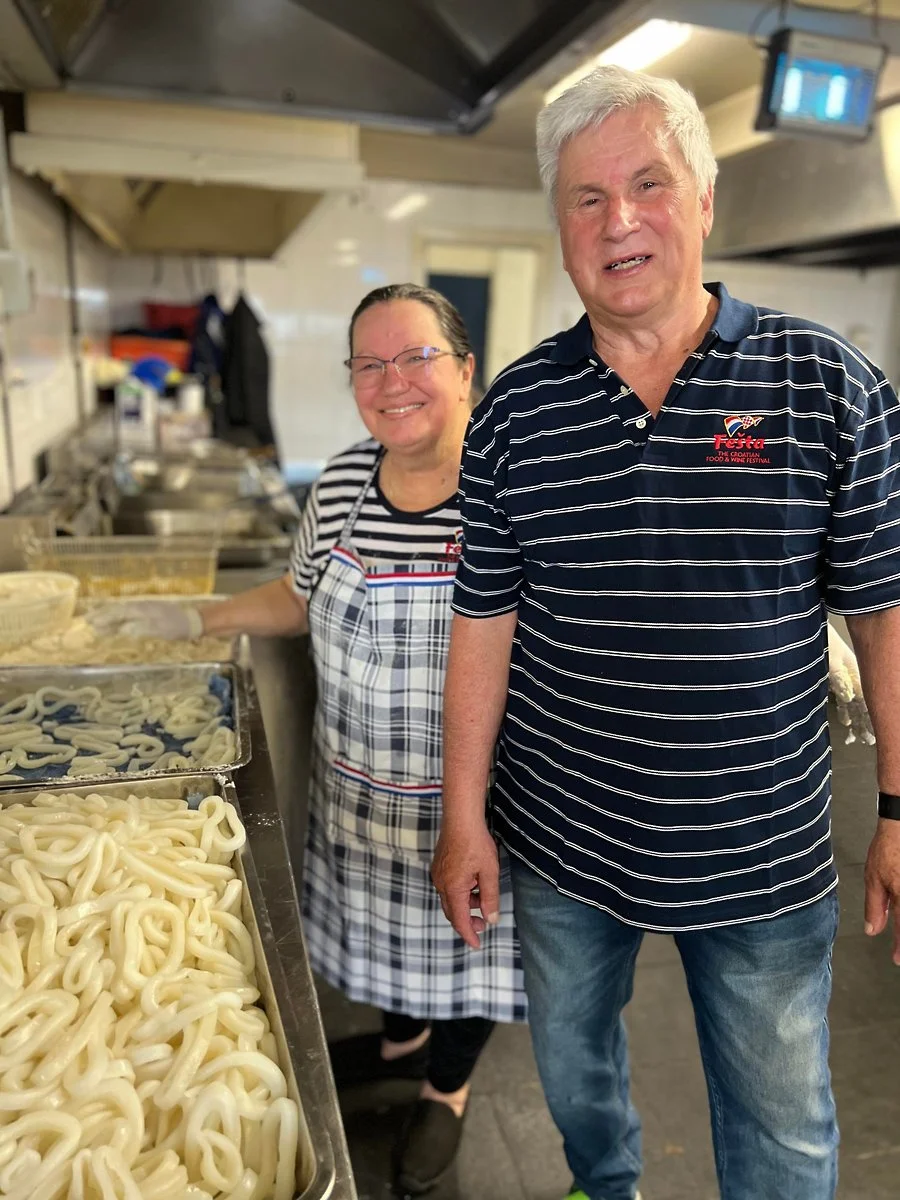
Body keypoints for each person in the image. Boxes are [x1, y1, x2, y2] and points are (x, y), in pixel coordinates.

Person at [432, 65, 900, 1200]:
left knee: (784, 1129)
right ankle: (608, 1186)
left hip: (761, 851)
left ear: (704, 201)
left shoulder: (825, 385)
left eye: (648, 184)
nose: (619, 221)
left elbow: (885, 615)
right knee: (573, 1073)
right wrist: (462, 817)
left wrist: (899, 806)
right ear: (560, 228)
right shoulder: (515, 412)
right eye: (587, 198)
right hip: (563, 840)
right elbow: (483, 623)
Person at [91, 283, 527, 1195]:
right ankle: (402, 1043)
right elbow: (298, 596)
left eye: (416, 358)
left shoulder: (512, 491)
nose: (391, 381)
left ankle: (445, 1089)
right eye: (369, 363)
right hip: (359, 788)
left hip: (475, 801)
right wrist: (195, 617)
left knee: (470, 955)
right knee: (387, 948)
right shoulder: (339, 485)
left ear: (465, 371)